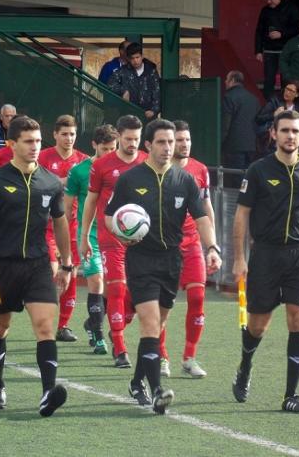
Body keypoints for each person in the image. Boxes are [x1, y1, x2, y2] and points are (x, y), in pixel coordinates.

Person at [105, 119, 221, 414]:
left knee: (158, 325)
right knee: (150, 323)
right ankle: (157, 390)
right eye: (161, 142)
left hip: (172, 259)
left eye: (172, 142)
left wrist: (212, 247)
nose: (168, 147)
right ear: (148, 145)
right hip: (141, 259)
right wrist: (121, 233)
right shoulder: (131, 180)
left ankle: (136, 382)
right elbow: (109, 216)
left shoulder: (185, 181)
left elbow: (202, 217)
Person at [0, 115, 72, 417]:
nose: (35, 147)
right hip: (2, 266)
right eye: (28, 141)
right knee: (0, 328)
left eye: (38, 141)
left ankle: (48, 392)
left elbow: (60, 224)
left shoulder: (50, 182)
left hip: (38, 266)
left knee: (45, 326)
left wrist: (66, 263)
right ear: (11, 144)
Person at [231, 110, 299, 414]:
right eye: (284, 130)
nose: (290, 136)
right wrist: (240, 258)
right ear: (273, 134)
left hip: (298, 257)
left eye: (295, 131)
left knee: (298, 318)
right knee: (258, 326)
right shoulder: (257, 170)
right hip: (265, 256)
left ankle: (291, 395)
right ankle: (245, 366)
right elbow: (242, 214)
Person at [80, 115, 147, 368]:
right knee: (117, 288)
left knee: (136, 294)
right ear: (119, 136)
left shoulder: (146, 162)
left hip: (142, 238)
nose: (133, 143)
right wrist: (85, 236)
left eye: (137, 139)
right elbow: (90, 200)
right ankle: (120, 348)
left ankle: (115, 325)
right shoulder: (103, 165)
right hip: (111, 236)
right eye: (128, 138)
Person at [157, 120, 215, 379]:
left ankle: (189, 357)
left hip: (191, 244)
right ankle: (160, 357)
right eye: (178, 140)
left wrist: (212, 245)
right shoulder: (156, 170)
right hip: (162, 246)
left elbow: (205, 208)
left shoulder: (200, 170)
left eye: (186, 139)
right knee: (161, 305)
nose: (183, 144)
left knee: (198, 298)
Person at [64, 123, 117, 354]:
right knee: (96, 281)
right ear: (94, 145)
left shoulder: (123, 168)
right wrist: (63, 242)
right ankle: (97, 335)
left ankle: (90, 323)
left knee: (112, 289)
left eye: (113, 148)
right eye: (105, 148)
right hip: (89, 235)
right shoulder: (79, 171)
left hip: (116, 234)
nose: (110, 153)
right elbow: (66, 210)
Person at [38, 115, 88, 342]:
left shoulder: (83, 161)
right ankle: (45, 316)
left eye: (72, 134)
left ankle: (63, 325)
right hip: (46, 226)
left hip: (73, 227)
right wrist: (64, 180)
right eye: (64, 134)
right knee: (52, 270)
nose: (69, 138)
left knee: (71, 275)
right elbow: (36, 182)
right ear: (55, 135)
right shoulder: (43, 157)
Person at [254, 0, 299, 101]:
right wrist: (258, 50)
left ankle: (286, 105)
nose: (268, 1)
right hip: (269, 50)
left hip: (286, 50)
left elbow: (297, 28)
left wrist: (282, 34)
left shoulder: (291, 8)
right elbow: (259, 30)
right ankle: (270, 105)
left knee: (286, 79)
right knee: (269, 80)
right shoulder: (265, 10)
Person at [221, 70, 261, 184]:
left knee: (234, 179)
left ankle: (236, 201)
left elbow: (225, 124)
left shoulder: (229, 97)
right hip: (251, 146)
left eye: (227, 79)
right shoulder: (253, 99)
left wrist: (221, 142)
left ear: (232, 80)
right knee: (247, 178)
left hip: (234, 146)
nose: (225, 82)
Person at [107, 42, 161, 120]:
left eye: (137, 57)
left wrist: (154, 110)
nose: (135, 61)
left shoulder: (151, 71)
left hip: (148, 114)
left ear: (142, 56)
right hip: (129, 115)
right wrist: (124, 90)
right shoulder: (123, 71)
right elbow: (110, 84)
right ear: (128, 59)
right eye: (132, 58)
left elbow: (157, 91)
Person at [255, 79, 299, 155]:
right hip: (275, 141)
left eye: (291, 91)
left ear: (297, 94)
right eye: (286, 89)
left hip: (293, 141)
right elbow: (258, 118)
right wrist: (274, 114)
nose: (287, 92)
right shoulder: (275, 101)